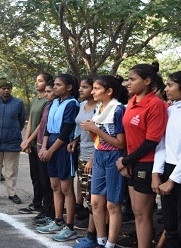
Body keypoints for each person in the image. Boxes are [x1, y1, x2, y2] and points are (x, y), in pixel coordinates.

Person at [116, 63, 168, 248]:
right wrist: (126, 160)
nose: (127, 83)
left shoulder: (156, 104)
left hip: (148, 163)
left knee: (143, 213)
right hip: (132, 162)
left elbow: (152, 141)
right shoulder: (132, 102)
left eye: (132, 79)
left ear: (147, 81)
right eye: (127, 79)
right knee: (137, 211)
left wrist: (126, 160)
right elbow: (129, 137)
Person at [80, 75, 127, 248]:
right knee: (96, 202)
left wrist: (94, 130)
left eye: (97, 89)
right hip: (99, 155)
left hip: (114, 157)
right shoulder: (99, 108)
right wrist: (92, 132)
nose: (93, 92)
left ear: (109, 91)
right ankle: (100, 240)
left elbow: (120, 143)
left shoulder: (118, 109)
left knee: (112, 204)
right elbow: (99, 140)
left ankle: (111, 243)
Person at [153, 71, 181, 247]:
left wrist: (173, 180)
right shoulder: (170, 110)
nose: (166, 89)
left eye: (170, 85)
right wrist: (157, 173)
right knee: (170, 224)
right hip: (167, 169)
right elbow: (161, 143)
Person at [36, 73, 80, 242]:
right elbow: (47, 129)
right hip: (51, 145)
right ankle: (57, 220)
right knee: (55, 186)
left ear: (69, 87)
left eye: (58, 85)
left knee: (66, 187)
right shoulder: (54, 102)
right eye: (54, 84)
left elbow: (66, 130)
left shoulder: (72, 104)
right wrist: (44, 147)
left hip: (62, 148)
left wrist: (51, 150)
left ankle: (69, 226)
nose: (54, 87)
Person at [67, 75, 97, 248]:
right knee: (87, 195)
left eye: (85, 87)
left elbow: (102, 136)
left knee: (95, 198)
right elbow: (81, 128)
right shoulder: (82, 105)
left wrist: (93, 159)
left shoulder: (100, 108)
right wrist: (75, 141)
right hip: (82, 153)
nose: (80, 89)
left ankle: (93, 235)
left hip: (94, 157)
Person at [19, 73, 54, 213]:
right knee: (34, 176)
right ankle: (36, 202)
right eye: (36, 81)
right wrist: (26, 141)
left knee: (43, 177)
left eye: (40, 81)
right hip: (32, 143)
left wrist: (29, 140)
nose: (36, 83)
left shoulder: (48, 101)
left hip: (41, 143)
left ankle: (47, 206)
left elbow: (41, 124)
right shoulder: (34, 100)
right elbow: (30, 122)